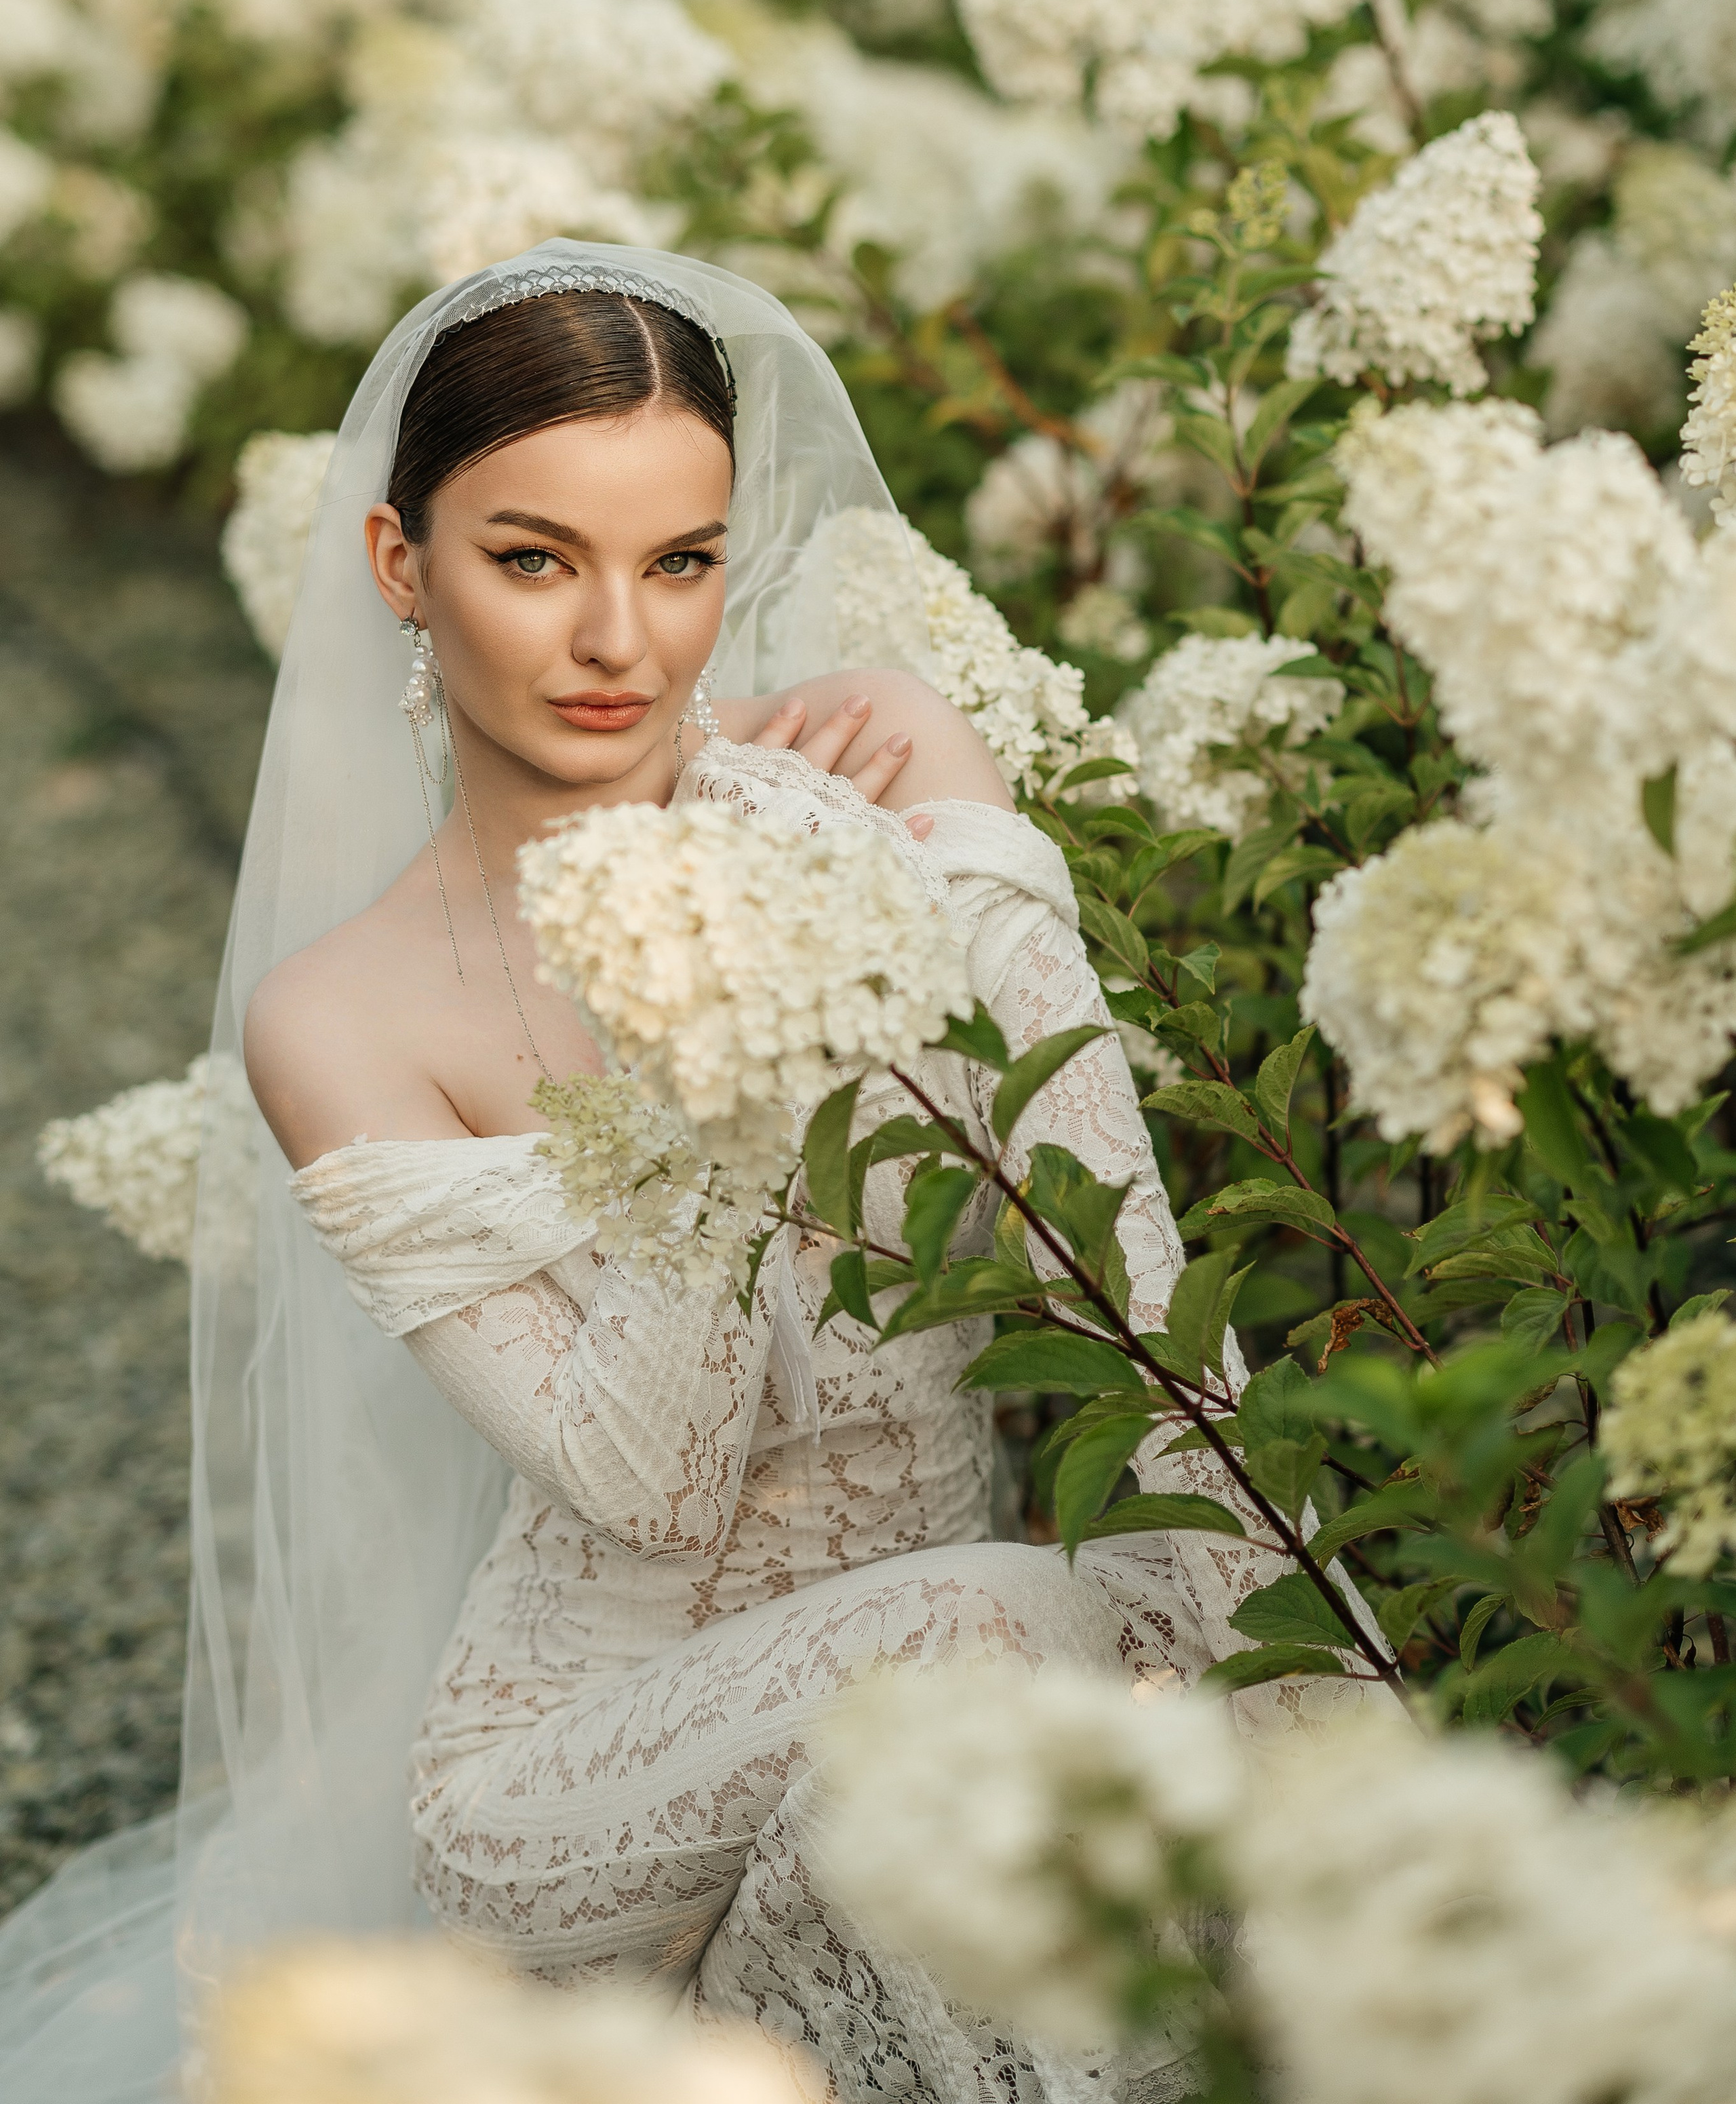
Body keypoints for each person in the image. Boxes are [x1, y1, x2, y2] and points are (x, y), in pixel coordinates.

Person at [0, 246, 1358, 2104]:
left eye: (682, 563)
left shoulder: (850, 787)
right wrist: (732, 1065)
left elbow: (1109, 1231)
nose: (618, 643)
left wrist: (961, 832)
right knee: (1016, 1621)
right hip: (576, 1784)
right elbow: (656, 1481)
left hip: (920, 1679)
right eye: (534, 559)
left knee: (1100, 1674)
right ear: (404, 569)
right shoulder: (342, 1016)